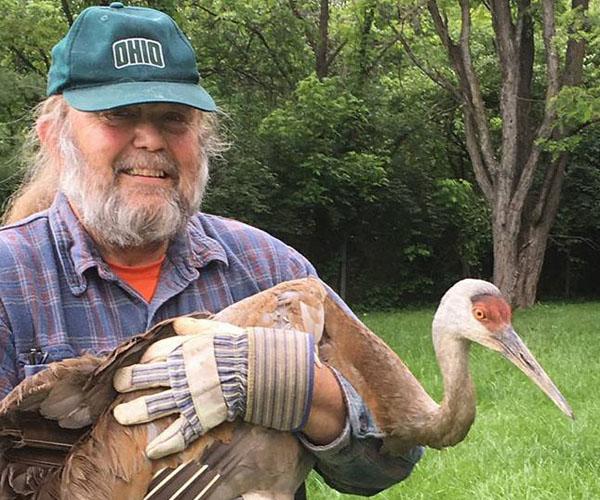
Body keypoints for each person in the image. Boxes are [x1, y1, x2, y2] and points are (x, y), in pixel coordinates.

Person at [0, 3, 422, 496]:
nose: (151, 140)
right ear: (55, 136)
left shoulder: (271, 269)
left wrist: (303, 392)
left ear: (202, 138)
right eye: (119, 115)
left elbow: (390, 459)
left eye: (174, 119)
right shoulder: (11, 279)